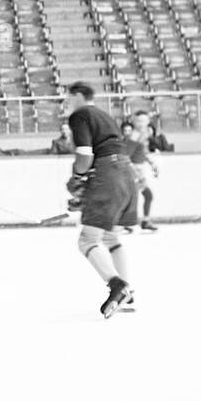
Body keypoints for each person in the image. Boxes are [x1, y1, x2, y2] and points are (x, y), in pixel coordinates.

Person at [63, 82, 136, 319]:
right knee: (110, 236)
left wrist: (77, 179)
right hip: (126, 174)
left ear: (78, 96)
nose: (67, 102)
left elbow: (85, 154)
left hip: (108, 174)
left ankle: (116, 285)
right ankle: (128, 292)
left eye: (69, 97)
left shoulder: (80, 115)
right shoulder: (105, 115)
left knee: (87, 240)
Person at [123, 116, 159, 232]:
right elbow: (126, 157)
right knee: (137, 196)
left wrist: (151, 163)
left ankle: (142, 221)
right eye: (139, 121)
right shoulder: (135, 136)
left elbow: (141, 152)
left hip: (138, 170)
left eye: (144, 120)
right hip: (134, 171)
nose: (142, 123)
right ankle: (127, 222)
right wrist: (135, 173)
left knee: (140, 196)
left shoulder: (142, 135)